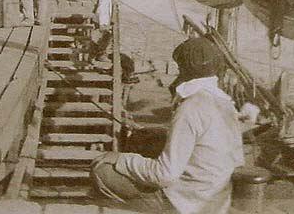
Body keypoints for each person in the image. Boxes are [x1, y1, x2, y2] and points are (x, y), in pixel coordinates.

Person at [91, 36, 244, 214]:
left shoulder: (190, 107)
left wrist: (119, 159)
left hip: (187, 204)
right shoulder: (224, 102)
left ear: (186, 70)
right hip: (215, 199)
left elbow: (165, 174)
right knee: (150, 141)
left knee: (102, 171)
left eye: (180, 68)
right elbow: (234, 158)